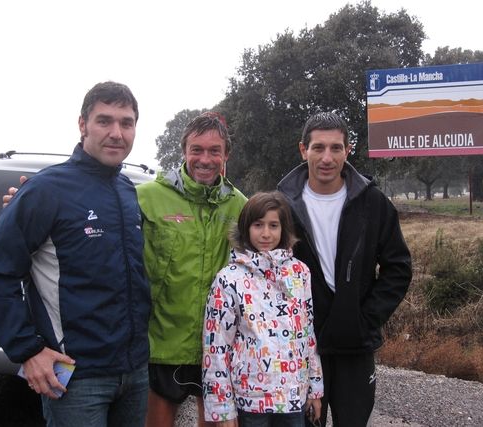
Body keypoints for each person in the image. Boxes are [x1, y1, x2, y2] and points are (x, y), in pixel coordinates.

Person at [0, 82, 151, 427]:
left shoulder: (128, 192)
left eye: (126, 123)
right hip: (75, 375)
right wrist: (28, 350)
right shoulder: (45, 190)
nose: (117, 133)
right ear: (83, 124)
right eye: (104, 120)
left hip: (134, 372)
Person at [277, 112, 412, 427]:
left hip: (355, 343)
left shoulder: (373, 203)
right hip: (300, 345)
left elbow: (398, 268)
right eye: (318, 147)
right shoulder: (281, 205)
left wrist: (366, 319)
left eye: (336, 148)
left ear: (348, 150)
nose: (327, 158)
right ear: (303, 150)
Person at [137, 112, 247, 427]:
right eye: (196, 149)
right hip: (161, 344)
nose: (205, 159)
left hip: (218, 347)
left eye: (214, 151)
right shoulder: (146, 197)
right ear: (184, 150)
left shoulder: (240, 207)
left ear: (226, 155)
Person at [202, 191, 323, 427]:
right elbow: (216, 346)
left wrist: (315, 388)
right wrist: (222, 409)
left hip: (293, 396)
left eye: (273, 225)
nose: (266, 233)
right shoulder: (228, 279)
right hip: (250, 399)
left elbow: (308, 333)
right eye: (258, 225)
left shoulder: (300, 273)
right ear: (246, 228)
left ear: (283, 229)